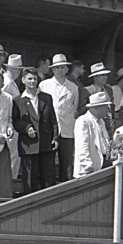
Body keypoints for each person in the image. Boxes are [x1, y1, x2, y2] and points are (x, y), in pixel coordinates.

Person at [12, 66, 59, 192]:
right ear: (23, 80)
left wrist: (55, 137)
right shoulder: (17, 100)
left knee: (48, 181)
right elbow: (15, 121)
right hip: (29, 145)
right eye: (29, 79)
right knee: (30, 181)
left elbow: (53, 119)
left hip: (46, 144)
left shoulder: (46, 98)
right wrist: (26, 128)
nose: (32, 81)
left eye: (34, 79)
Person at [39, 54, 79, 182]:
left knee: (66, 163)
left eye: (62, 67)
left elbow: (74, 109)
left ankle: (66, 188)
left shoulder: (73, 88)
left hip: (67, 128)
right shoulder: (44, 85)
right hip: (49, 129)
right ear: (52, 69)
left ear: (67, 69)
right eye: (57, 67)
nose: (60, 70)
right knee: (48, 162)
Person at [73, 92, 112, 178]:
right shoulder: (83, 121)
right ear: (97, 108)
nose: (107, 110)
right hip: (88, 170)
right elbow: (82, 145)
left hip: (102, 165)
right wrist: (87, 165)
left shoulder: (101, 122)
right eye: (105, 107)